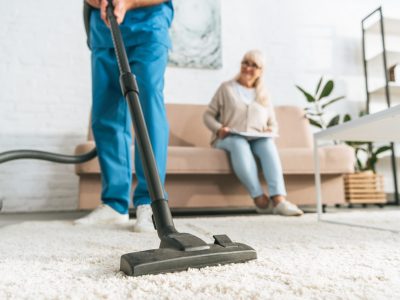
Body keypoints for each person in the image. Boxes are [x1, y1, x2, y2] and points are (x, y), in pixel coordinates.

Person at [75, 0, 173, 231]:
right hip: (103, 30)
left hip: (149, 26)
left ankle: (150, 204)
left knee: (146, 109)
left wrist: (128, 2)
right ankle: (114, 204)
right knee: (105, 113)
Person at [203, 50, 303, 216]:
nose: (248, 68)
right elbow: (208, 115)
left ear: (261, 71)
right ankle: (259, 198)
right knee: (238, 143)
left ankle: (279, 200)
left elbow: (273, 123)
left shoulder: (263, 94)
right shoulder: (226, 88)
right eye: (245, 63)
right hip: (229, 137)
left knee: (268, 144)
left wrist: (271, 129)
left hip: (257, 138)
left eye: (254, 65)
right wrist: (219, 128)